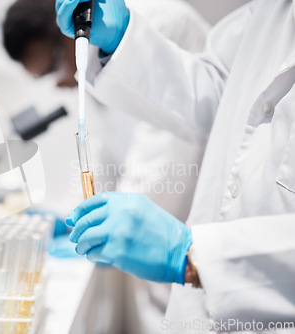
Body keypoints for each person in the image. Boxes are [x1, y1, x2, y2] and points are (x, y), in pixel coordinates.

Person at [56, 0, 295, 332]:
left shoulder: (169, 18)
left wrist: (195, 255)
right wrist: (122, 43)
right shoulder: (274, 9)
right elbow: (220, 91)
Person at [4, 1, 212, 332]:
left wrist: (106, 223)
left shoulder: (160, 25)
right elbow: (109, 158)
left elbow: (164, 163)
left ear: (73, 30)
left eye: (54, 67)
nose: (58, 84)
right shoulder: (96, 68)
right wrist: (69, 218)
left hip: (198, 241)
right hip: (168, 262)